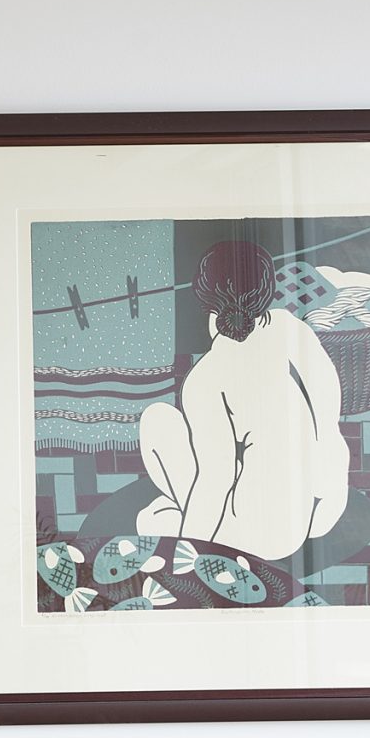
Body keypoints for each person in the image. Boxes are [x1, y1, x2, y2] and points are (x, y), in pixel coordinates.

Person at [136, 238, 350, 563]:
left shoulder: (207, 377)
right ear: (268, 291)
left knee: (157, 420)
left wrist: (189, 554)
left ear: (203, 298)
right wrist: (329, 498)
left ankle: (177, 521)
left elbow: (215, 479)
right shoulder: (290, 330)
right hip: (307, 517)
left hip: (248, 539)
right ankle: (174, 519)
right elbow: (328, 415)